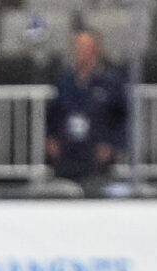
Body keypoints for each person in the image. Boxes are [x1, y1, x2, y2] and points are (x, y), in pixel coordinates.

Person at [46, 30, 127, 185]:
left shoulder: (111, 83)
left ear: (96, 49)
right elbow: (54, 114)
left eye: (84, 47)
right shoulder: (65, 82)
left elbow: (122, 117)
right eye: (77, 47)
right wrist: (51, 138)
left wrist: (112, 143)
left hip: (96, 155)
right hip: (67, 153)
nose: (79, 51)